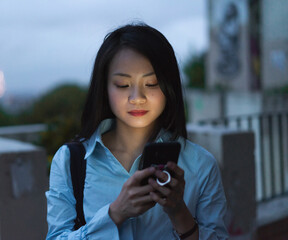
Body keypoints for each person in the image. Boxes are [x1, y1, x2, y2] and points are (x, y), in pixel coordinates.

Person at [45, 23, 228, 240]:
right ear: (104, 88)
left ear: (168, 87)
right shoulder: (70, 161)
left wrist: (179, 212)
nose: (137, 98)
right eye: (123, 85)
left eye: (151, 83)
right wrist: (114, 214)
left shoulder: (201, 165)